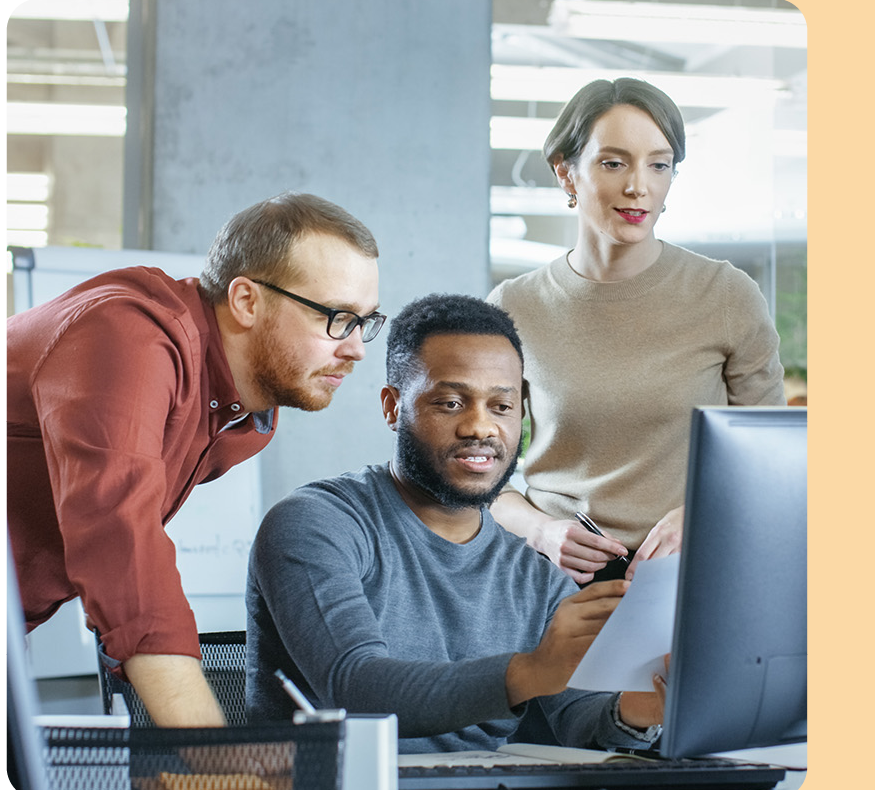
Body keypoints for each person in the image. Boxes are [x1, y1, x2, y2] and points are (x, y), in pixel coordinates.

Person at [7, 191, 385, 727]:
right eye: (336, 317)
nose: (356, 348)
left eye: (365, 321)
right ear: (247, 301)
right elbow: (120, 541)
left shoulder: (242, 420)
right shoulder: (128, 336)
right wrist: (213, 759)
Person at [246, 293, 666, 753]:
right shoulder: (316, 525)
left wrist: (644, 705)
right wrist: (530, 671)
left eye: (501, 407)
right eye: (449, 403)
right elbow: (355, 687)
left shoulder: (537, 578)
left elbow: (578, 723)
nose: (480, 428)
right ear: (392, 407)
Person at [488, 77, 785, 585]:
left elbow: (773, 458)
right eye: (613, 162)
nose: (638, 186)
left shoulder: (727, 295)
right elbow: (480, 475)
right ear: (566, 171)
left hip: (690, 575)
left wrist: (700, 516)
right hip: (551, 580)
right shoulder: (512, 307)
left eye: (659, 164)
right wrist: (541, 531)